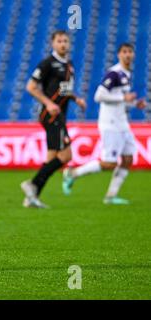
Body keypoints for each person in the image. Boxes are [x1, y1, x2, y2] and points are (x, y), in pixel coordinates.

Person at [62, 43, 147, 204]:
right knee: (109, 163)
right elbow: (99, 96)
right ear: (118, 55)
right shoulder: (113, 73)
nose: (128, 55)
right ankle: (72, 173)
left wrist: (134, 103)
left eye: (130, 52)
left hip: (122, 123)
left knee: (128, 159)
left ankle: (110, 196)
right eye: (124, 52)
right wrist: (124, 98)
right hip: (111, 124)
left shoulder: (126, 74)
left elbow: (118, 98)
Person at [20, 30, 87, 208]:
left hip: (60, 115)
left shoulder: (69, 65)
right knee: (66, 155)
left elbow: (64, 89)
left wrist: (75, 98)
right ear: (53, 43)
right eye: (59, 41)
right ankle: (32, 184)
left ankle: (31, 198)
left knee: (51, 158)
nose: (63, 44)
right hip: (51, 115)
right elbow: (31, 87)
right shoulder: (47, 63)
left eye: (65, 41)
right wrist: (48, 103)